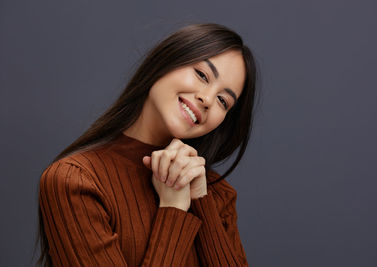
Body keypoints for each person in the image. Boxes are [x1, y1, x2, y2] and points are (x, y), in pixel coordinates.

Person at [37, 23, 258, 266]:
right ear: (167, 60)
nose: (206, 99)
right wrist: (173, 210)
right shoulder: (75, 182)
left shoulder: (216, 195)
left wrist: (200, 200)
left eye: (222, 101)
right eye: (202, 75)